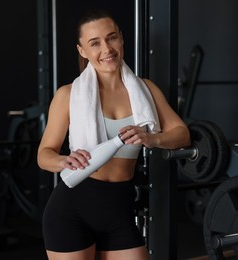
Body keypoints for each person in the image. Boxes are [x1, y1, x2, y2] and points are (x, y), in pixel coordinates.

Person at [37, 9, 191, 260]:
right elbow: (44, 155)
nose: (106, 48)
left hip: (119, 210)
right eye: (95, 43)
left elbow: (182, 133)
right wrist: (64, 161)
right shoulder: (68, 94)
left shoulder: (145, 89)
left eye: (111, 38)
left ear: (121, 38)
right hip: (71, 209)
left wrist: (151, 138)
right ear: (82, 51)